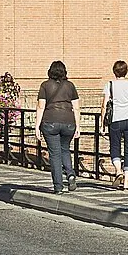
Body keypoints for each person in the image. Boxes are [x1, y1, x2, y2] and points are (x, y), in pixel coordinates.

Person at [34, 60, 80, 193]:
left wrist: (37, 126)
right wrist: (78, 126)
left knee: (55, 154)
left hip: (50, 122)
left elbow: (41, 106)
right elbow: (76, 107)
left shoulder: (45, 86)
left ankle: (58, 186)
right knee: (65, 149)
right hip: (68, 122)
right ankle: (70, 174)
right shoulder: (70, 86)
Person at [104, 60, 128, 189]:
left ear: (114, 72)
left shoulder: (109, 85)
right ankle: (126, 182)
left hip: (116, 119)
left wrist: (102, 124)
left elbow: (104, 106)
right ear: (126, 71)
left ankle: (118, 171)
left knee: (115, 146)